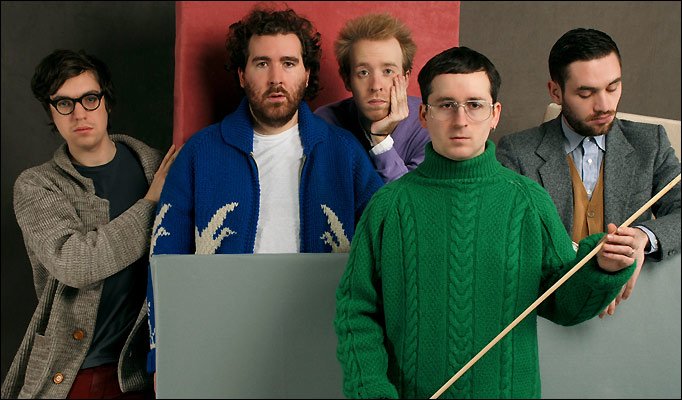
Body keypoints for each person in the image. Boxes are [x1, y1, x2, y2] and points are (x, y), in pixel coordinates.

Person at [333, 46, 639, 399]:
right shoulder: (387, 206)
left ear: (495, 114)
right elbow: (356, 313)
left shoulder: (529, 201)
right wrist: (371, 391)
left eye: (475, 105)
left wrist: (600, 267)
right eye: (446, 105)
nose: (460, 120)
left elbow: (565, 306)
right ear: (423, 115)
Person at [145, 6, 383, 378]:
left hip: (324, 341)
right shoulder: (200, 154)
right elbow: (164, 260)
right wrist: (163, 357)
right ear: (242, 75)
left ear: (306, 73)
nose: (276, 78)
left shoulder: (344, 153)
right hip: (222, 343)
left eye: (288, 63)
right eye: (261, 64)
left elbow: (384, 249)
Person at [1, 49, 178, 399]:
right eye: (64, 103)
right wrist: (151, 206)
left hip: (148, 371)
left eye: (89, 99)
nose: (79, 113)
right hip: (76, 370)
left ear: (106, 102)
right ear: (51, 111)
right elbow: (76, 264)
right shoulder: (38, 185)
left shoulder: (155, 167)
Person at [496, 28, 681, 318]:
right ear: (555, 91)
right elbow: (509, 246)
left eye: (613, 87)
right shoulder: (516, 152)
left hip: (635, 315)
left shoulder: (650, 143)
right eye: (586, 93)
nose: (604, 105)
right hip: (549, 316)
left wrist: (643, 237)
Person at [315, 13, 430, 182]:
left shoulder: (429, 122)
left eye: (388, 71)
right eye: (363, 72)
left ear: (406, 79)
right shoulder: (325, 122)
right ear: (347, 80)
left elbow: (412, 198)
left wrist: (381, 141)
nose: (376, 86)